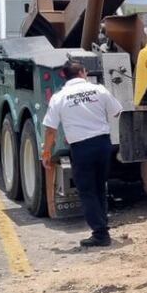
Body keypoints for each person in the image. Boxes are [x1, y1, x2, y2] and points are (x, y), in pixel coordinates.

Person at [41, 60, 123, 247]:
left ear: (65, 76)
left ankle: (100, 234)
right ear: (83, 73)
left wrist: (46, 153)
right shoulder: (99, 90)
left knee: (87, 191)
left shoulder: (59, 97)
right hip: (103, 144)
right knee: (99, 186)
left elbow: (50, 130)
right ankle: (102, 226)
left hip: (81, 148)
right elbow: (117, 111)